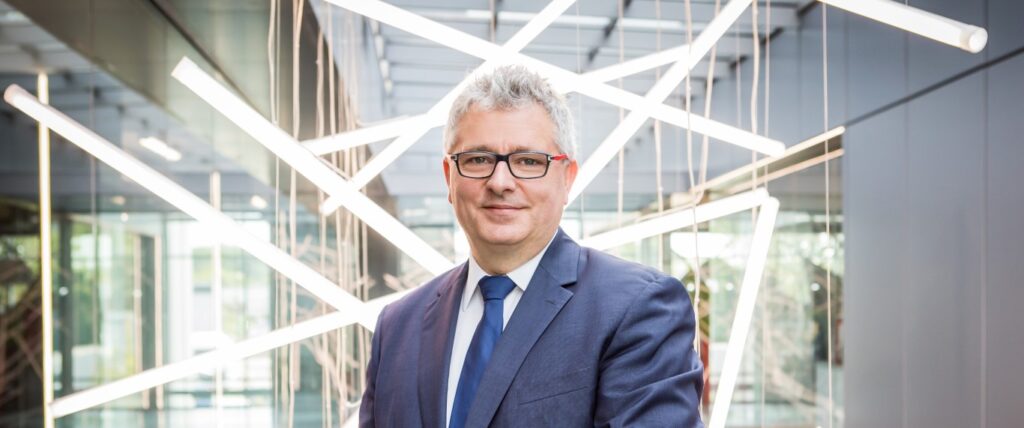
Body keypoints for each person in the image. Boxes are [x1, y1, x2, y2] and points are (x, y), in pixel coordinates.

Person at [360, 64, 704, 427]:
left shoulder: (637, 309)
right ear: (449, 177)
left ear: (567, 178)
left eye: (528, 161)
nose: (500, 182)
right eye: (478, 159)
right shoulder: (397, 327)